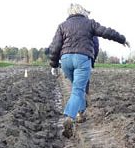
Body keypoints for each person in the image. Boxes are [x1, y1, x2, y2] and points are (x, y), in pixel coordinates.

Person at [48, 3, 129, 138]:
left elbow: (55, 47)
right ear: (83, 12)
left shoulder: (62, 26)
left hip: (66, 60)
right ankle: (70, 116)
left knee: (78, 87)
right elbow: (106, 32)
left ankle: (81, 113)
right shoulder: (89, 24)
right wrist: (122, 39)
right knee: (78, 89)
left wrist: (53, 65)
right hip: (82, 58)